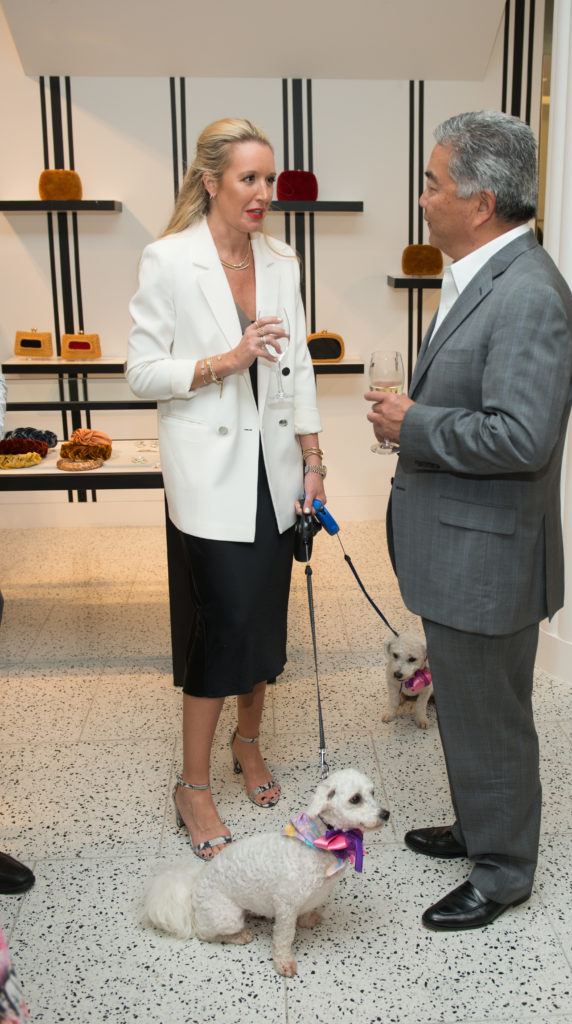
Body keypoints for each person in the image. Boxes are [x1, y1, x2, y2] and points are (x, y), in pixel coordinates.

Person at [366, 111, 572, 930]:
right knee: (464, 705)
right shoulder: (484, 276)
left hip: (486, 560)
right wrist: (417, 417)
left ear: (481, 201)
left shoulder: (526, 294)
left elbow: (521, 438)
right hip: (462, 551)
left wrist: (409, 424)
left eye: (432, 183)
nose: (422, 199)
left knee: (490, 717)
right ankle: (477, 827)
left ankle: (501, 872)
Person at [127, 118, 326, 859]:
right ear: (210, 180)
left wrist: (314, 458)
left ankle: (248, 745)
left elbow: (297, 364)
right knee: (220, 628)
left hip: (273, 474)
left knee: (263, 626)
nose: (262, 195)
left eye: (269, 180)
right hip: (208, 477)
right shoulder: (169, 259)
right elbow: (142, 371)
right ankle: (193, 786)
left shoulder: (282, 259)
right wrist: (226, 358)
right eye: (248, 179)